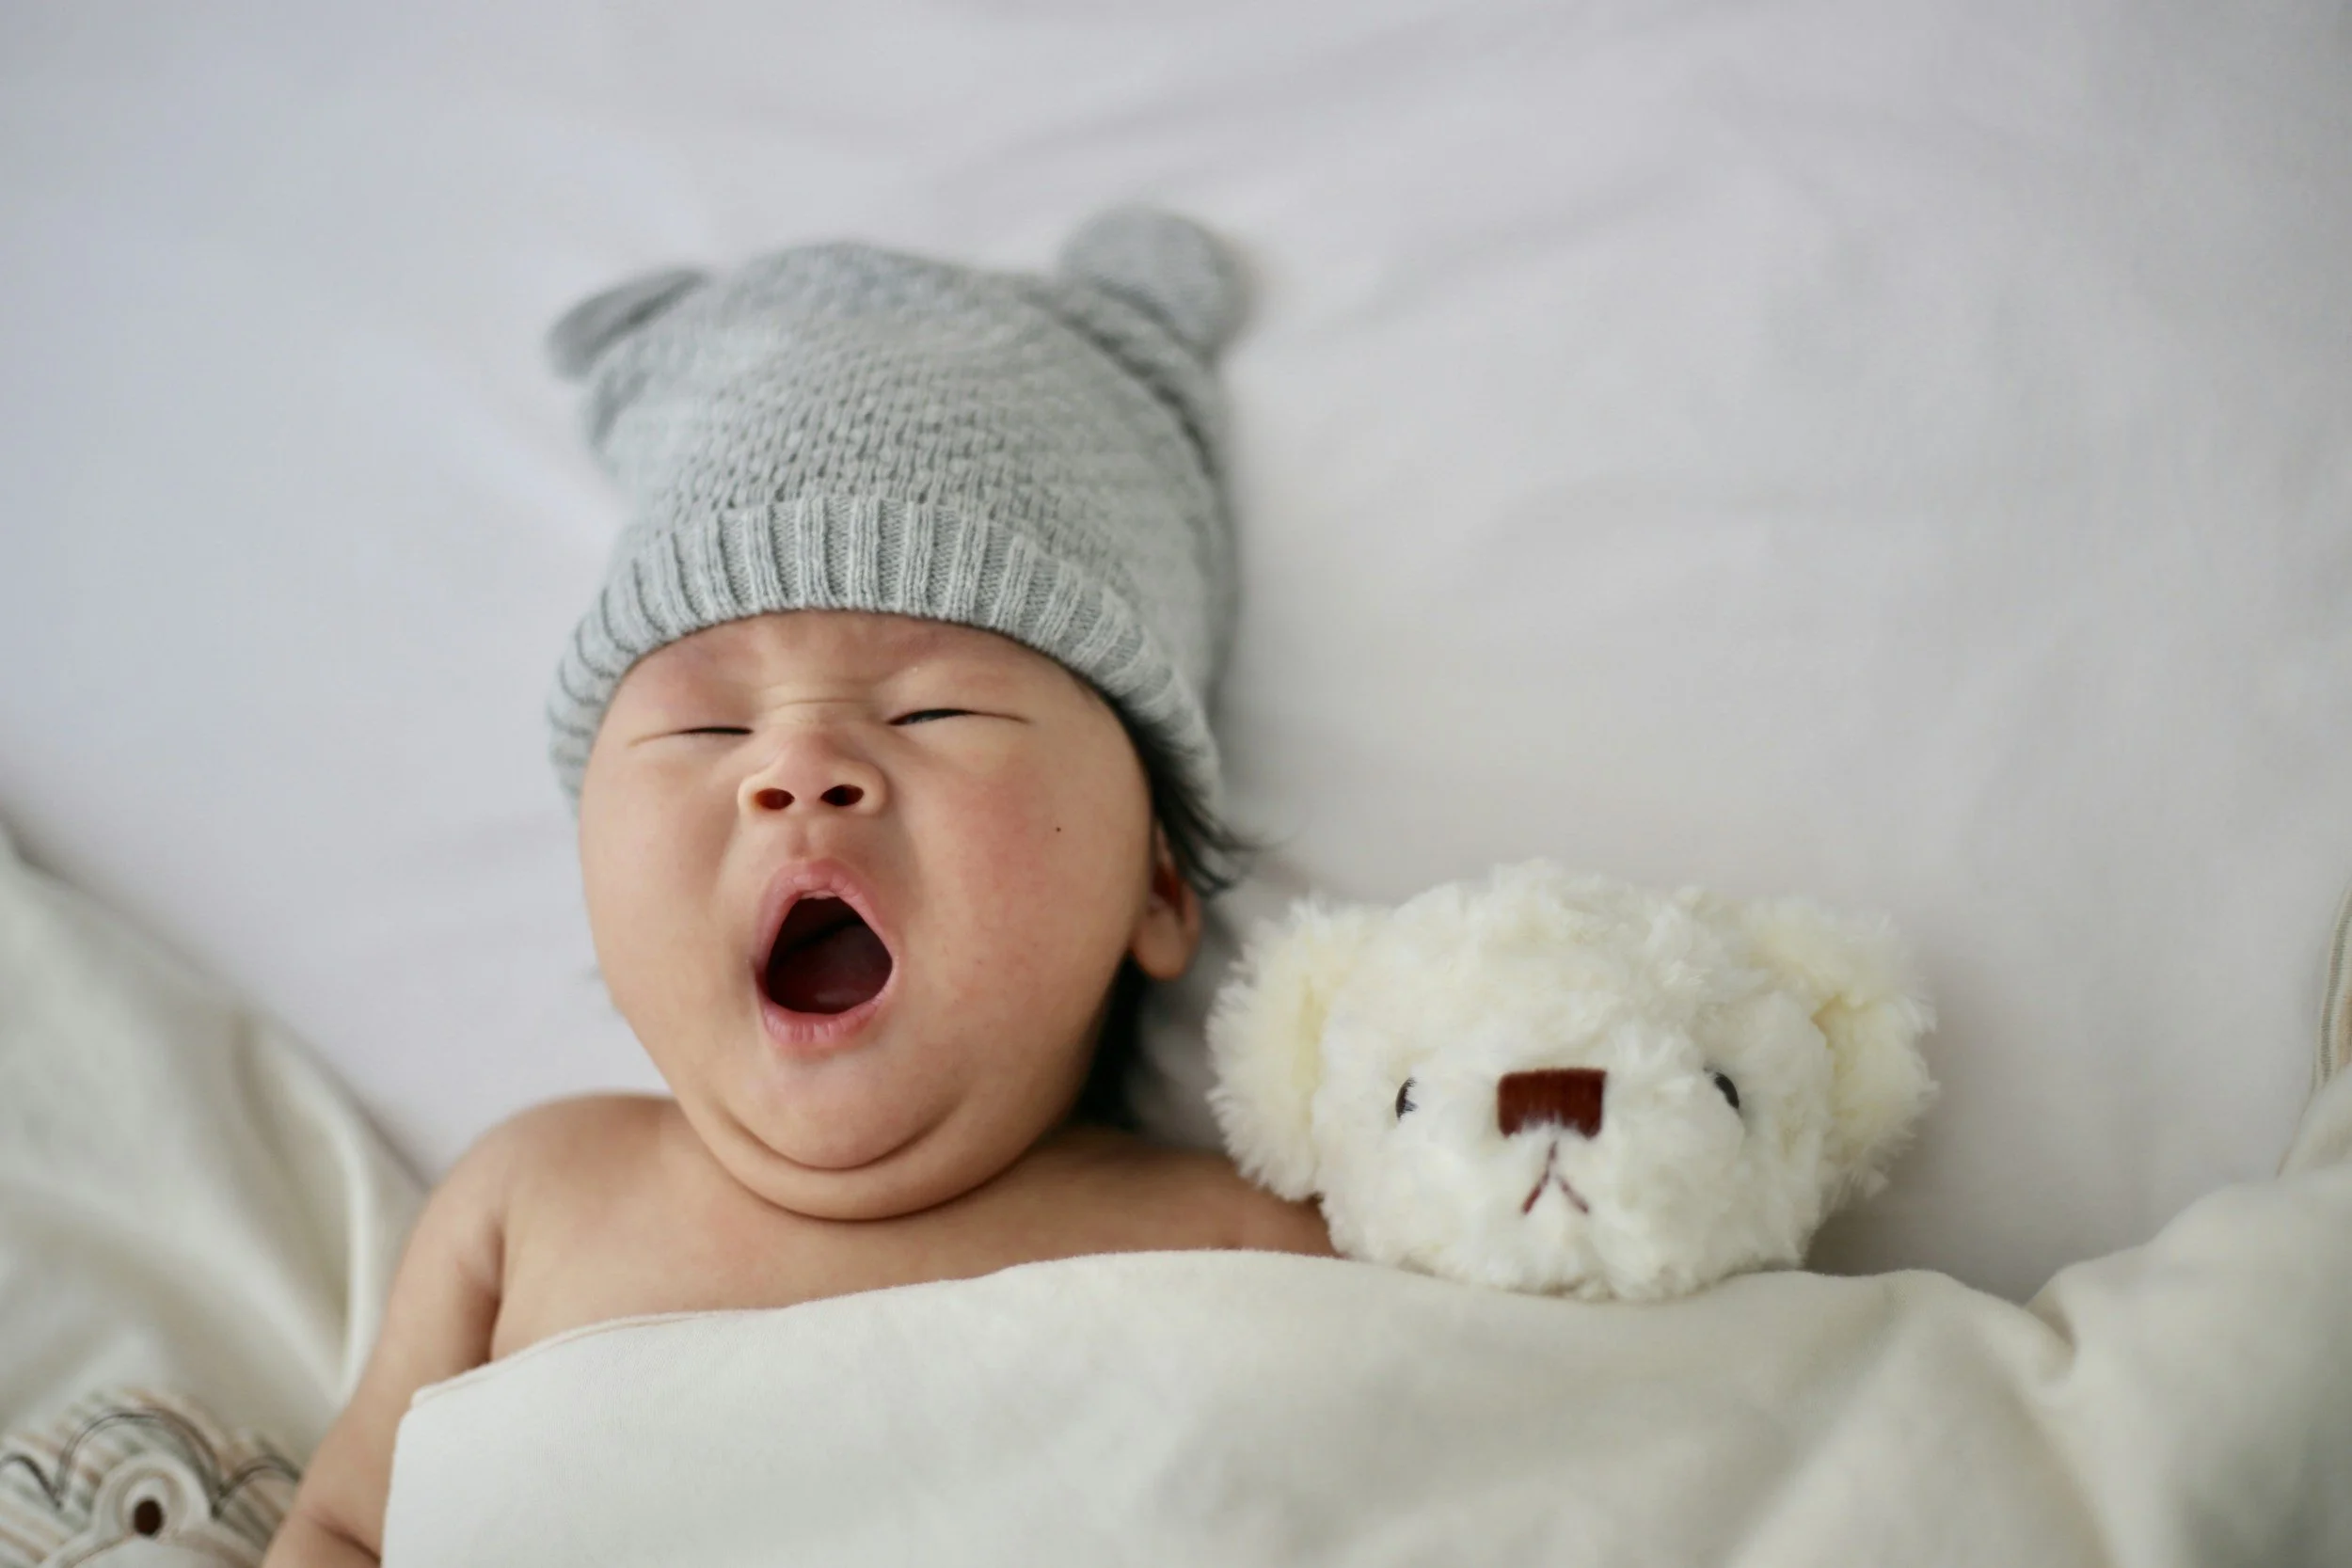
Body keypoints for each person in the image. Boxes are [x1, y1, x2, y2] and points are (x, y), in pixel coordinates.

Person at [262, 208, 1334, 1567]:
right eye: (708, 727)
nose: (800, 764)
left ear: (1160, 885)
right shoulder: (527, 1202)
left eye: (937, 709)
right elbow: (349, 1526)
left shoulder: (1247, 1246)